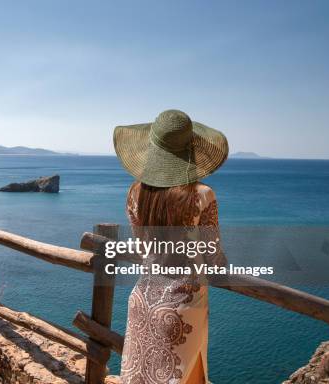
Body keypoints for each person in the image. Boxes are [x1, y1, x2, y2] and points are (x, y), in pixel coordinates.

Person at [113, 110, 229, 384]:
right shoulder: (203, 195)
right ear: (190, 152)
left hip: (143, 299)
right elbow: (214, 259)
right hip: (182, 306)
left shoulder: (134, 193)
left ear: (153, 150)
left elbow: (144, 247)